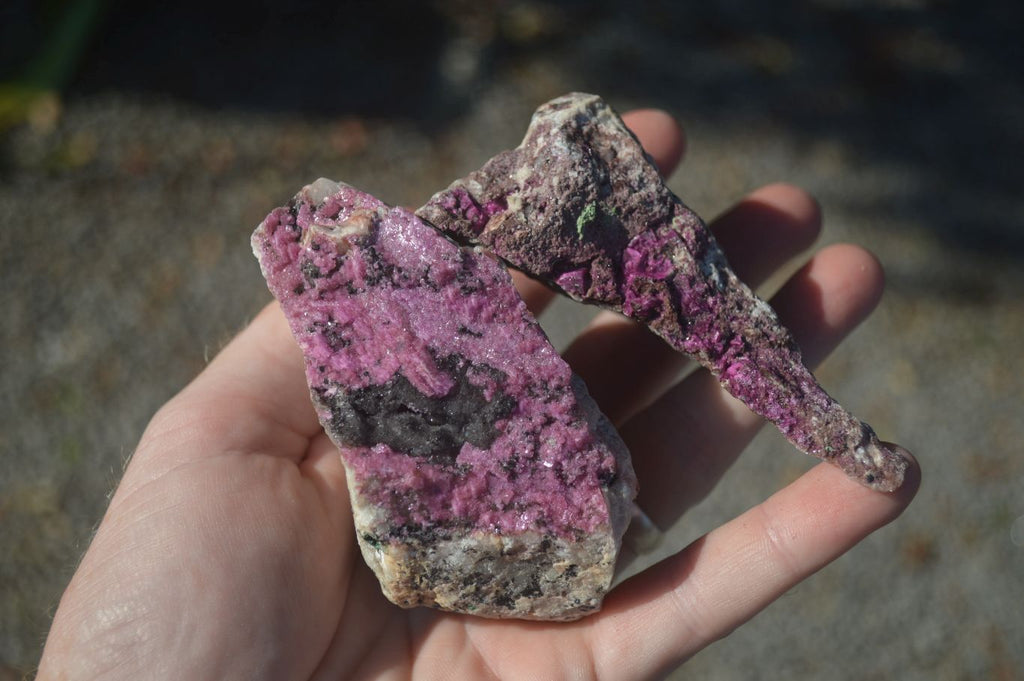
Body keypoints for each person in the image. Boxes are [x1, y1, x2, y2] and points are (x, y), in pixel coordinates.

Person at [37, 109, 919, 680]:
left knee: (727, 328)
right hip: (482, 536)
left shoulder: (373, 258)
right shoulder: (363, 265)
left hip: (503, 528)